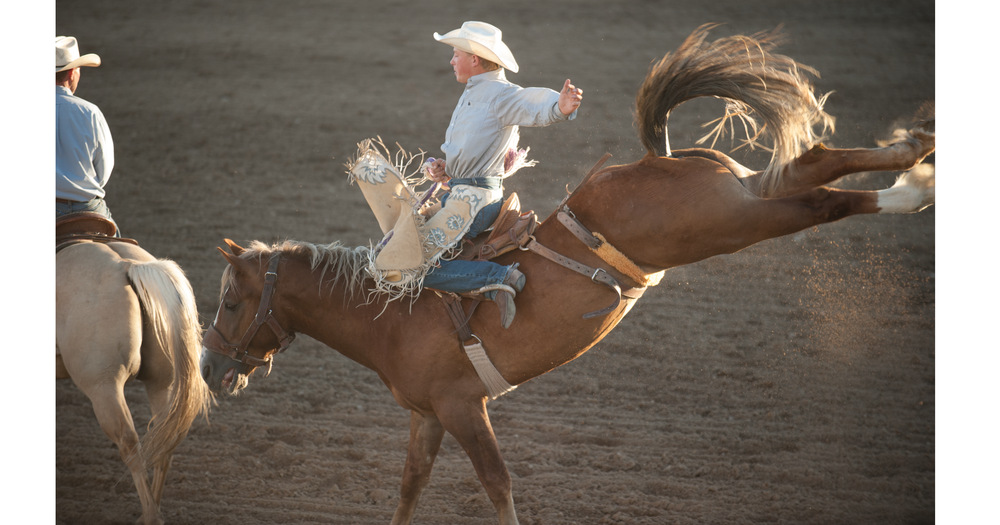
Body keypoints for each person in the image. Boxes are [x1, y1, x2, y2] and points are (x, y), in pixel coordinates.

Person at [421, 21, 583, 328]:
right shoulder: (477, 92)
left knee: (414, 266)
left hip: (474, 202)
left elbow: (530, 101)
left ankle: (499, 277)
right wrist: (445, 170)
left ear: (475, 59)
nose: (451, 60)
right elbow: (472, 147)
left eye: (456, 54)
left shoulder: (499, 93)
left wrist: (558, 106)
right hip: (464, 193)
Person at [56, 35, 118, 233]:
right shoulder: (90, 112)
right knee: (123, 251)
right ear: (73, 73)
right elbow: (103, 170)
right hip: (87, 208)